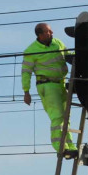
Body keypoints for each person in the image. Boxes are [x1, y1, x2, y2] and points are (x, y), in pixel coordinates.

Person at [22, 23, 77, 158]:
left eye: (51, 31)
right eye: (48, 32)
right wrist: (26, 91)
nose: (52, 33)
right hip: (46, 85)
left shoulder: (57, 43)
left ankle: (70, 146)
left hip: (60, 83)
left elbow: (67, 55)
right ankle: (61, 147)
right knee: (57, 116)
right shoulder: (31, 50)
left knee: (65, 117)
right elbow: (26, 72)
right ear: (40, 34)